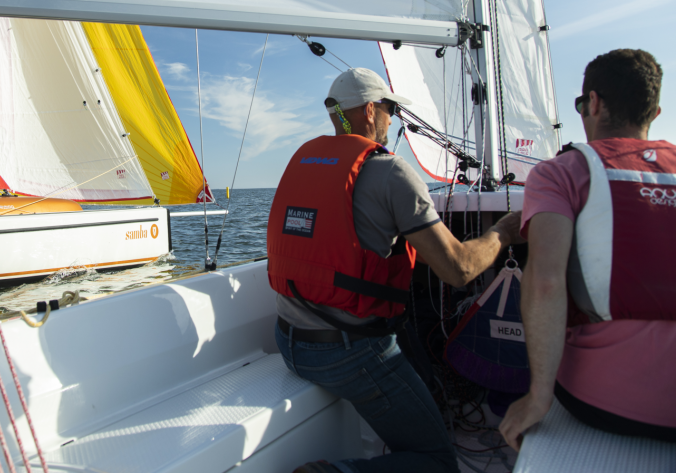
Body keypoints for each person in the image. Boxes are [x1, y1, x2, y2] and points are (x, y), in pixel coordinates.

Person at [269, 67, 521, 473]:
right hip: (346, 353)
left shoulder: (304, 163)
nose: (393, 119)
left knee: (405, 334)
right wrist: (501, 234)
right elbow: (458, 270)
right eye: (390, 109)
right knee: (439, 461)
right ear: (371, 110)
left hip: (289, 341)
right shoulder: (391, 172)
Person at [500, 50, 676, 464]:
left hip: (607, 403)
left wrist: (538, 398)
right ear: (655, 110)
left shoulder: (561, 172)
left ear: (593, 103)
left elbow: (545, 282)